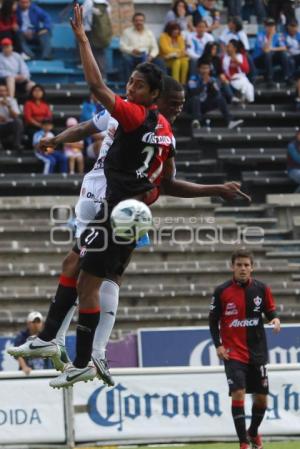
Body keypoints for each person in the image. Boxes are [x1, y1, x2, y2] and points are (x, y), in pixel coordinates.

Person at [7, 4, 250, 389]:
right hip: (128, 211)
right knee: (80, 267)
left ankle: (85, 355)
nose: (131, 88)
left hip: (115, 208)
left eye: (138, 85)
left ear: (152, 95)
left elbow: (97, 90)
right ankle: (57, 341)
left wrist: (84, 39)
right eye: (132, 83)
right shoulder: (166, 132)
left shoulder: (137, 116)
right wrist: (214, 189)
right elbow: (164, 182)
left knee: (89, 279)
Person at [209, 249, 281, 449]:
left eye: (246, 265)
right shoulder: (221, 291)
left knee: (261, 400)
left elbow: (269, 310)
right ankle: (243, 443)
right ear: (232, 267)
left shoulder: (261, 289)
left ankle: (253, 432)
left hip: (257, 352)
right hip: (233, 354)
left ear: (252, 267)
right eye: (239, 265)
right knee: (239, 393)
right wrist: (218, 345)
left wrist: (274, 318)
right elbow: (213, 321)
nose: (242, 268)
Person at [188, 58, 243, 129]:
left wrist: (211, 86)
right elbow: (192, 92)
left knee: (221, 99)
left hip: (204, 105)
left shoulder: (213, 79)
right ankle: (196, 121)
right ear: (198, 69)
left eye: (207, 68)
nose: (205, 70)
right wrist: (204, 84)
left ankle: (230, 121)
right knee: (196, 99)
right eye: (203, 68)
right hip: (192, 105)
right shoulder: (193, 78)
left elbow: (217, 94)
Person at [120, 12, 165, 81]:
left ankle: (162, 85)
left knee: (160, 61)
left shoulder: (149, 33)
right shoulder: (127, 32)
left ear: (144, 21)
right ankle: (129, 84)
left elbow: (155, 48)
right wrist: (132, 50)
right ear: (133, 22)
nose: (139, 22)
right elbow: (122, 46)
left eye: (141, 20)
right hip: (133, 57)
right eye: (136, 20)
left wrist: (151, 56)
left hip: (146, 56)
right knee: (127, 60)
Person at [253, 17, 292, 87]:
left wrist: (272, 49)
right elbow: (265, 50)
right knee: (268, 54)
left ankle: (287, 77)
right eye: (268, 25)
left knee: (283, 54)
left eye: (272, 25)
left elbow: (284, 48)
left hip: (270, 58)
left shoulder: (277, 35)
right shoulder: (260, 35)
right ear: (265, 26)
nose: (270, 27)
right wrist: (270, 36)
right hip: (259, 60)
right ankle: (269, 79)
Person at [82, 0, 112, 77]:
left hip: (89, 31)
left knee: (90, 52)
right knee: (100, 53)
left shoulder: (89, 2)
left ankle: (92, 75)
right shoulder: (106, 4)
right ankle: (102, 75)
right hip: (101, 32)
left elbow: (82, 15)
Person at [0, 82, 23, 150]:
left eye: (4, 90)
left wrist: (8, 106)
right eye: (0, 90)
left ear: (7, 92)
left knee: (18, 122)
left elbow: (16, 116)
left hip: (7, 126)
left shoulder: (12, 100)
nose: (2, 92)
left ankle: (17, 144)